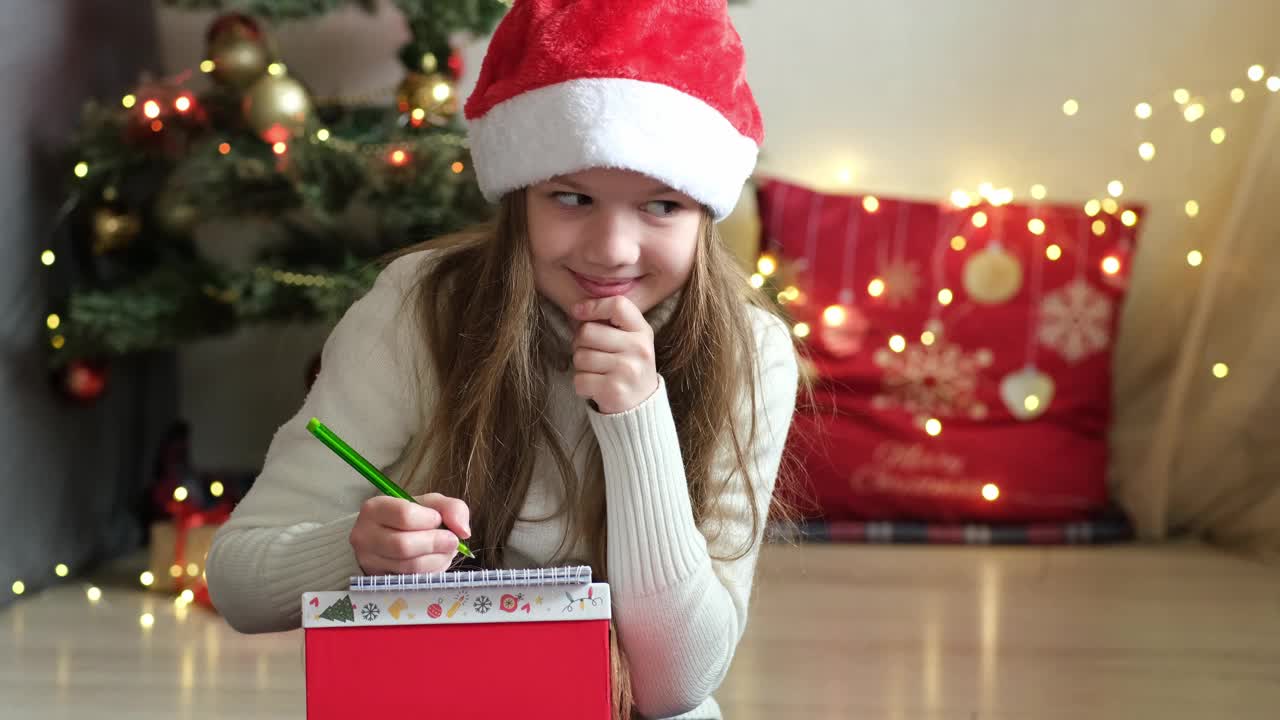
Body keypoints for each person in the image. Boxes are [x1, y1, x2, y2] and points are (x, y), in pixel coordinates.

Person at [206, 2, 802, 717]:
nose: (612, 249)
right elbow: (238, 580)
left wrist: (638, 419)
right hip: (439, 693)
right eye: (572, 197)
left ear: (706, 210)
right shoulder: (415, 310)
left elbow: (676, 683)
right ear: (520, 197)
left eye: (662, 206)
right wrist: (354, 551)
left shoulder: (753, 350)